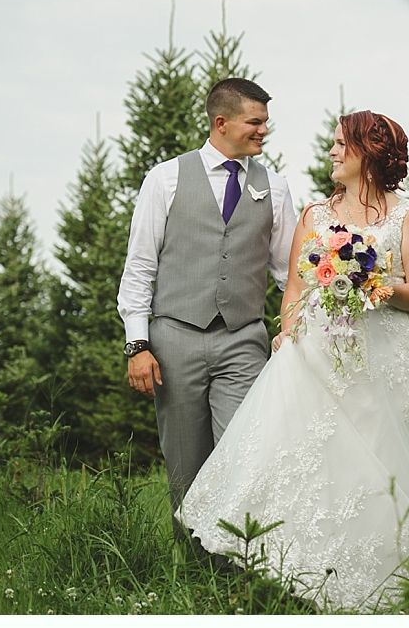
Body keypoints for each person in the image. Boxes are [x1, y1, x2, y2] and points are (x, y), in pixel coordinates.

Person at [176, 110, 409, 610]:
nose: (331, 151)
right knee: (311, 462)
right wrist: (287, 332)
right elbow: (294, 286)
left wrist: (377, 285)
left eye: (340, 144)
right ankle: (303, 575)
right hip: (314, 354)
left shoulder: (408, 216)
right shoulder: (314, 215)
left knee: (384, 459)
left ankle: (398, 580)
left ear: (367, 153)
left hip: (384, 357)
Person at [117, 78, 297, 541]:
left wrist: (307, 327)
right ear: (221, 123)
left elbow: (288, 274)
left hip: (244, 339)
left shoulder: (275, 188)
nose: (263, 131)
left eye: (265, 122)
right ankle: (191, 568)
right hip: (175, 338)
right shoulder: (166, 178)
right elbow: (140, 267)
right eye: (254, 122)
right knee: (184, 462)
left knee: (246, 455)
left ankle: (242, 562)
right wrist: (138, 344)